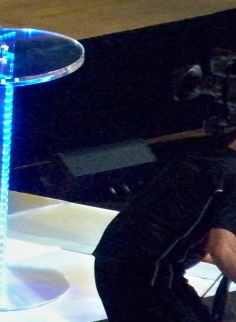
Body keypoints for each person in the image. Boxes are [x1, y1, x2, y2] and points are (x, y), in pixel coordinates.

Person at [93, 134, 236, 321]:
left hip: (113, 262)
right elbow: (221, 249)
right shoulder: (231, 175)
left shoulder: (203, 159)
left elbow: (182, 227)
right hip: (146, 273)